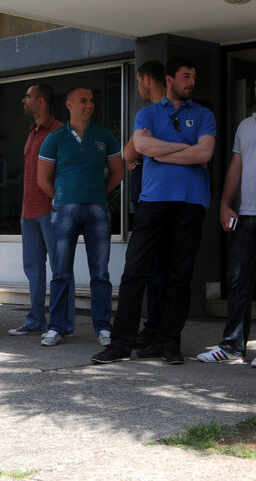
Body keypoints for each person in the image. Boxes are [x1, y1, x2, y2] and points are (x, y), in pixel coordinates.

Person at [92, 57, 216, 366]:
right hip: (153, 201)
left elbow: (206, 152)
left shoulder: (204, 114)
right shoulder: (147, 112)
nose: (192, 81)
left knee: (179, 276)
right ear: (170, 80)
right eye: (186, 74)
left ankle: (170, 343)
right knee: (135, 272)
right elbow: (142, 148)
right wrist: (184, 151)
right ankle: (120, 343)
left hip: (191, 202)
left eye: (194, 76)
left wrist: (162, 151)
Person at [198, 64, 256, 368]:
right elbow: (236, 167)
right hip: (246, 215)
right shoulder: (245, 126)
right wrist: (225, 204)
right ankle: (231, 347)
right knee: (238, 281)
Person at [36, 86, 123, 347]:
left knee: (100, 272)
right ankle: (57, 327)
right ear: (70, 105)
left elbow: (117, 174)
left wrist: (97, 194)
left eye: (92, 100)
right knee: (61, 271)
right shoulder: (55, 137)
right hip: (64, 210)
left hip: (97, 209)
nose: (89, 105)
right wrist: (63, 197)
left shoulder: (104, 136)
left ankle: (103, 327)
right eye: (83, 100)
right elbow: (42, 179)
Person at [122, 61, 168, 357]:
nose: (138, 87)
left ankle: (157, 332)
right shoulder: (145, 116)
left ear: (145, 79)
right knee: (147, 269)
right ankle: (149, 330)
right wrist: (139, 152)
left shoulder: (159, 114)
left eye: (138, 82)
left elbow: (134, 153)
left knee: (159, 270)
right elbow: (129, 153)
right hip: (144, 199)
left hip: (161, 202)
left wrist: (143, 151)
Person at [8, 84, 62, 336]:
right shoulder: (32, 131)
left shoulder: (60, 131)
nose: (23, 100)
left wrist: (59, 201)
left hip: (50, 210)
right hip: (28, 211)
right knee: (33, 268)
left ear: (41, 102)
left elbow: (63, 172)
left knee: (60, 267)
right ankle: (35, 321)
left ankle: (61, 324)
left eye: (27, 96)